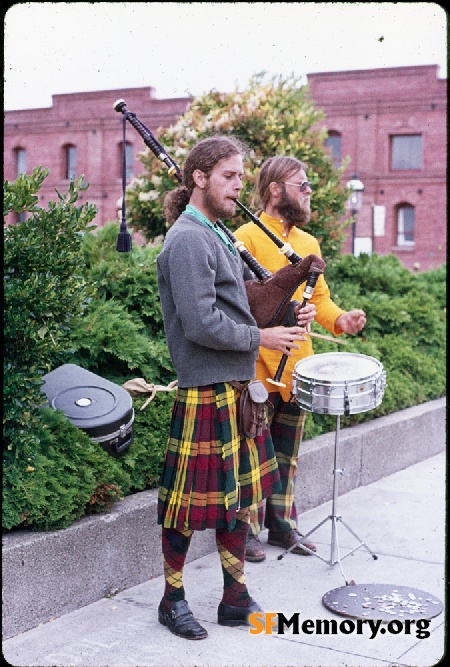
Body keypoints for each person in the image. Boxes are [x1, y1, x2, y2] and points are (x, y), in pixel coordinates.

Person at [156, 137, 308, 640]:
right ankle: (172, 598)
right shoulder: (187, 240)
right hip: (204, 388)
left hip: (235, 388)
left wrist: (289, 310)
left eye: (242, 176)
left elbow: (249, 303)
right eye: (229, 176)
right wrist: (260, 337)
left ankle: (233, 597)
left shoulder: (219, 234)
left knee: (239, 497)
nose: (239, 185)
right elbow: (200, 323)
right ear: (199, 177)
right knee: (186, 503)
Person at [234, 155, 366, 563]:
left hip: (298, 366)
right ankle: (246, 531)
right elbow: (240, 302)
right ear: (275, 189)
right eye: (302, 184)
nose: (309, 192)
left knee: (288, 454)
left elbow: (320, 301)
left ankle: (283, 526)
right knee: (253, 450)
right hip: (257, 365)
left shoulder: (308, 244)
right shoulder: (246, 236)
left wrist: (340, 319)